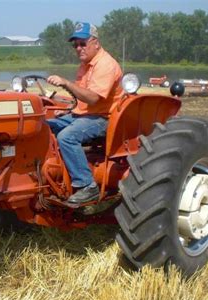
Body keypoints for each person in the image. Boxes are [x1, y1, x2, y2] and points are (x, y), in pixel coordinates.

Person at [47, 22, 123, 205]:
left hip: (103, 117)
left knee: (67, 137)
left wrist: (65, 82)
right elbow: (80, 97)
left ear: (95, 43)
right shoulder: (86, 64)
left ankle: (87, 185)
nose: (78, 48)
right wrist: (64, 108)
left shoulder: (105, 64)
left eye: (82, 43)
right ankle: (50, 176)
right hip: (83, 114)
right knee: (44, 126)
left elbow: (93, 99)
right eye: (75, 45)